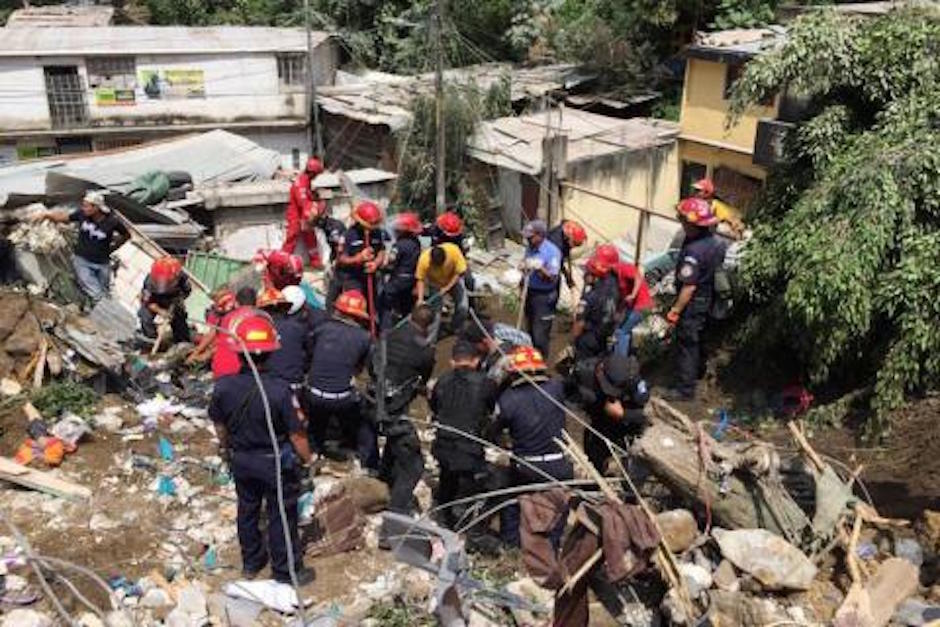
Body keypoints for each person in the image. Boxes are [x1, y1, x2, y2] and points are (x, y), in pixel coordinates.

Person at [208, 309, 315, 585]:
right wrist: (309, 461)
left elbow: (220, 426)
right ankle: (286, 570)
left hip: (242, 459)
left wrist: (225, 449)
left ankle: (251, 563)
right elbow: (297, 434)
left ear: (239, 352)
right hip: (274, 461)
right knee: (281, 515)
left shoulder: (223, 387)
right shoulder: (280, 391)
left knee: (247, 510)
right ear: (270, 352)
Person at [492, 346, 573, 548]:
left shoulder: (508, 399)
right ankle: (552, 545)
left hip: (526, 466)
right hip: (558, 464)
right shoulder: (556, 388)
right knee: (560, 506)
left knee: (511, 502)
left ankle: (511, 545)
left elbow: (493, 429)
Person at [373, 304, 436, 546]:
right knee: (413, 465)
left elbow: (373, 365)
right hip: (394, 411)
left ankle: (383, 483)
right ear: (428, 326)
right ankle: (391, 529)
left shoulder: (388, 336)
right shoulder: (424, 350)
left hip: (374, 403)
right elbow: (423, 378)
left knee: (396, 446)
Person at [430, 339, 500, 549]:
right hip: (469, 447)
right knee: (470, 488)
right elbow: (491, 409)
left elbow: (435, 406)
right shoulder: (486, 383)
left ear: (452, 362)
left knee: (447, 481)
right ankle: (469, 535)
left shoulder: (442, 381)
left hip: (443, 444)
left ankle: (443, 521)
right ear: (477, 361)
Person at [306, 290, 376, 469]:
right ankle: (367, 462)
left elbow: (311, 354)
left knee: (315, 424)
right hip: (342, 398)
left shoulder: (321, 329)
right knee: (362, 423)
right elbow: (362, 368)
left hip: (313, 395)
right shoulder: (364, 338)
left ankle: (313, 453)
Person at [666, 198, 725, 400]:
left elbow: (689, 286)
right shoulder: (716, 242)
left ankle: (685, 389)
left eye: (683, 219)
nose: (681, 222)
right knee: (699, 339)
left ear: (693, 223)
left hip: (693, 301)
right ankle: (697, 373)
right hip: (708, 297)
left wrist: (675, 311)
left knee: (687, 343)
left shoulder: (694, 250)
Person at [34, 190, 129, 303]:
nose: (83, 208)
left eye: (86, 206)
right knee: (96, 293)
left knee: (105, 292)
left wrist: (114, 247)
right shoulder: (82, 215)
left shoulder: (112, 221)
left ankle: (103, 312)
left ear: (96, 207)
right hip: (82, 261)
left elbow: (126, 235)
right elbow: (64, 218)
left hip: (102, 263)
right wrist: (47, 215)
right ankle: (100, 316)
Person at [568, 354, 649, 475]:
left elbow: (648, 416)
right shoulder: (584, 373)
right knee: (595, 456)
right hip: (599, 424)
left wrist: (623, 414)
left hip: (627, 426)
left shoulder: (634, 380)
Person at [335, 201, 387, 325]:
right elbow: (341, 258)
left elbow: (381, 251)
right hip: (353, 279)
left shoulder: (377, 232)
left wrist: (376, 263)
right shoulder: (348, 235)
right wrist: (357, 258)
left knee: (372, 308)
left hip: (370, 277)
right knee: (354, 309)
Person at [521, 220, 562, 360]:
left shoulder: (552, 252)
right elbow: (525, 264)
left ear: (540, 235)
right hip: (530, 292)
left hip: (544, 297)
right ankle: (531, 358)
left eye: (530, 237)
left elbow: (552, 278)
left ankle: (541, 362)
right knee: (530, 329)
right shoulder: (530, 248)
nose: (528, 239)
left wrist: (540, 269)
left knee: (541, 334)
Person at [415, 243, 468, 343]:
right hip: (435, 284)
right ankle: (430, 340)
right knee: (435, 313)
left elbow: (460, 273)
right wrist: (420, 299)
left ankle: (454, 327)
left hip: (453, 280)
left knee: (463, 307)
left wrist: (447, 287)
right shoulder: (424, 260)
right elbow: (420, 279)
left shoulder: (453, 251)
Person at [257, 287, 310, 388]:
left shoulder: (258, 331)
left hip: (267, 387)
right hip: (294, 385)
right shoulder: (298, 328)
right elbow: (309, 356)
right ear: (285, 308)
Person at [572, 251, 620, 360]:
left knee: (583, 368)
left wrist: (574, 341)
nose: (584, 275)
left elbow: (579, 322)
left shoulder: (589, 297)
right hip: (605, 335)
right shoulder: (614, 288)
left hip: (589, 338)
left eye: (587, 272)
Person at [381, 212, 422, 329]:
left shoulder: (399, 245)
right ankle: (405, 331)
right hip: (411, 280)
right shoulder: (416, 243)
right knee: (406, 308)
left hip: (398, 280)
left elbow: (391, 263)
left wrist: (382, 268)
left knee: (386, 305)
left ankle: (386, 332)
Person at [282, 157, 325, 269]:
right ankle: (282, 262)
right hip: (296, 215)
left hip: (303, 215)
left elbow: (307, 198)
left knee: (311, 238)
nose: (316, 177)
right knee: (291, 239)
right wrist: (316, 208)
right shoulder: (301, 182)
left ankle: (315, 261)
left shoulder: (306, 181)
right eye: (316, 174)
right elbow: (303, 202)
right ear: (312, 172)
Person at [138, 256, 191, 345]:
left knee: (179, 320)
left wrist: (178, 301)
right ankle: (150, 340)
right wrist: (161, 311)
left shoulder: (183, 279)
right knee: (145, 315)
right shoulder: (149, 282)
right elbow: (148, 301)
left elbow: (187, 292)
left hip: (173, 299)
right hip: (155, 301)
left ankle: (182, 343)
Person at [612, 250, 653, 357]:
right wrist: (619, 311)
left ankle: (620, 360)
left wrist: (633, 294)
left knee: (621, 332)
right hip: (634, 306)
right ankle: (626, 354)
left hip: (642, 305)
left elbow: (638, 278)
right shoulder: (615, 277)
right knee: (624, 329)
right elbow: (622, 297)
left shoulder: (624, 268)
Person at [186, 288, 236, 366]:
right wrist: (197, 351)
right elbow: (212, 333)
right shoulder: (221, 316)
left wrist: (206, 355)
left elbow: (228, 343)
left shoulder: (235, 321)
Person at [546, 219, 587, 290]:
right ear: (569, 238)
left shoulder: (566, 230)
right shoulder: (556, 244)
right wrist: (568, 277)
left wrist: (569, 277)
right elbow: (559, 264)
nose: (575, 247)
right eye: (576, 244)